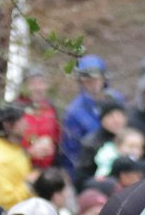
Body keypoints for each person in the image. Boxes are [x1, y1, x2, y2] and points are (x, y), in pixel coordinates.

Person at [60, 54, 123, 184]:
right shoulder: (74, 111)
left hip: (120, 164)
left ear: (103, 78)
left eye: (96, 78)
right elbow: (71, 152)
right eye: (87, 79)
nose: (92, 83)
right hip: (91, 172)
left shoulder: (116, 99)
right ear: (81, 81)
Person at [0, 104, 33, 212]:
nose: (27, 125)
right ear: (7, 125)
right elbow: (3, 201)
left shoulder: (13, 148)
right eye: (22, 121)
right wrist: (30, 184)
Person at [17, 66, 62, 171]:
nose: (38, 88)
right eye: (33, 84)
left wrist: (51, 145)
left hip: (49, 169)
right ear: (25, 87)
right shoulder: (16, 109)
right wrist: (28, 152)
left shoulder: (52, 108)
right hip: (22, 167)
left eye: (41, 83)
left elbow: (58, 137)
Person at [75, 97, 127, 184]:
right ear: (102, 120)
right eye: (110, 116)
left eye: (119, 115)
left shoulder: (133, 138)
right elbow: (82, 178)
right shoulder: (91, 144)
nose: (116, 120)